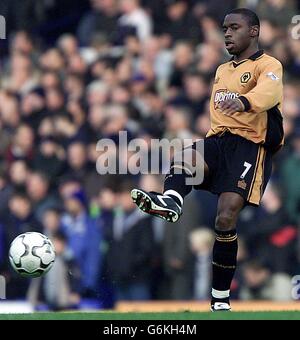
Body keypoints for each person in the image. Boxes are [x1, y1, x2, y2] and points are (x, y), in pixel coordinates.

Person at [131, 8, 284, 311]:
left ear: (254, 31)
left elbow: (269, 92)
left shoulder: (268, 64)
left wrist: (244, 101)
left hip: (250, 146)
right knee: (185, 155)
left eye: (234, 27)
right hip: (219, 140)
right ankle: (172, 200)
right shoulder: (221, 70)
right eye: (224, 28)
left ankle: (220, 298)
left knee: (224, 218)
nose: (227, 33)